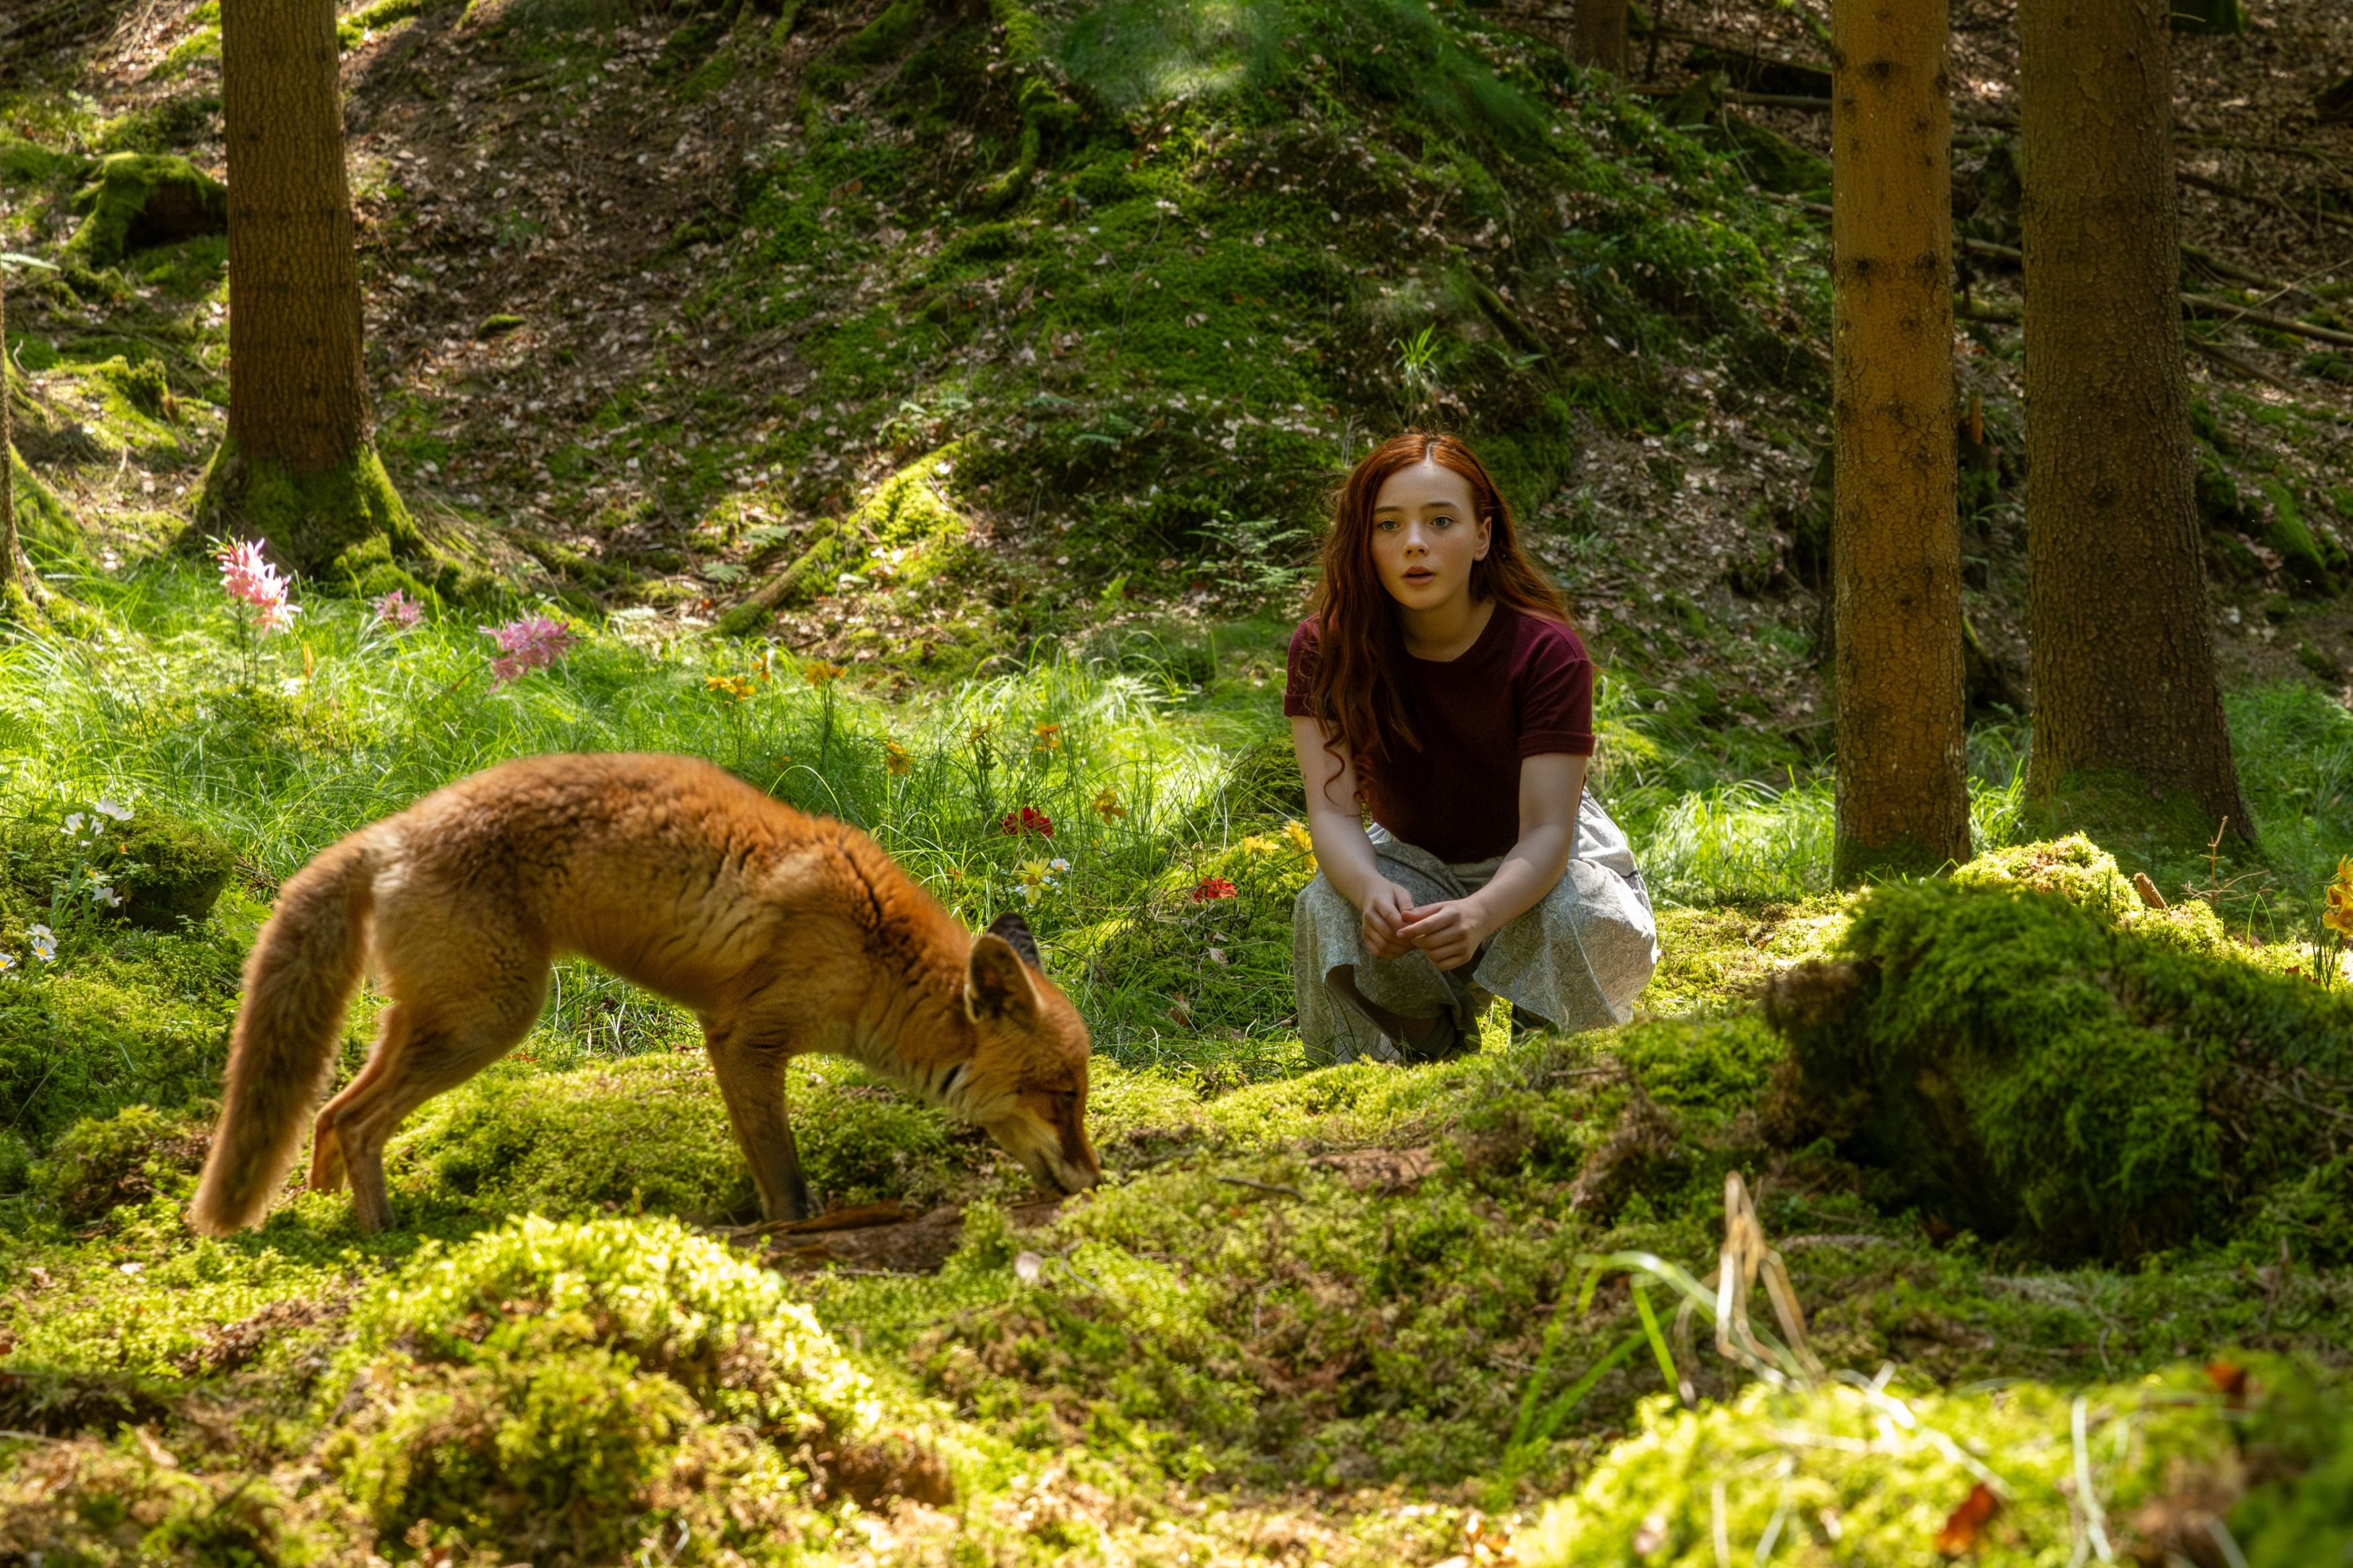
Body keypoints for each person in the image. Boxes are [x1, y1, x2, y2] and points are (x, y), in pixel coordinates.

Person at [1285, 431, 1657, 1064]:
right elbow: (1334, 813)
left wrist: (1482, 914)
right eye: (1388, 525)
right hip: (1413, 862)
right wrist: (1371, 891)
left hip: (1548, 867)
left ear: (1483, 536)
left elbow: (1547, 834)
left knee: (1572, 913)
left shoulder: (1546, 653)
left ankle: (1549, 1053)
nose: (1414, 543)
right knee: (1327, 901)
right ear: (1364, 541)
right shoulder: (1328, 649)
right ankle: (1427, 1052)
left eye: (1440, 521)